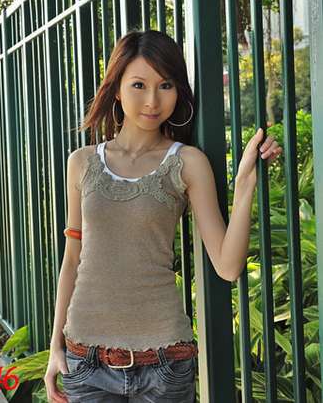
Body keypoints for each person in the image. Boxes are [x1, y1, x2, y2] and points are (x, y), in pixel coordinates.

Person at [44, 30, 282, 402]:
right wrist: (54, 346)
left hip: (163, 365)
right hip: (86, 361)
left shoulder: (187, 162)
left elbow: (227, 266)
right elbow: (72, 259)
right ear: (117, 89)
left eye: (166, 85)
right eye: (139, 85)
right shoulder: (82, 162)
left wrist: (244, 183)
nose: (152, 100)